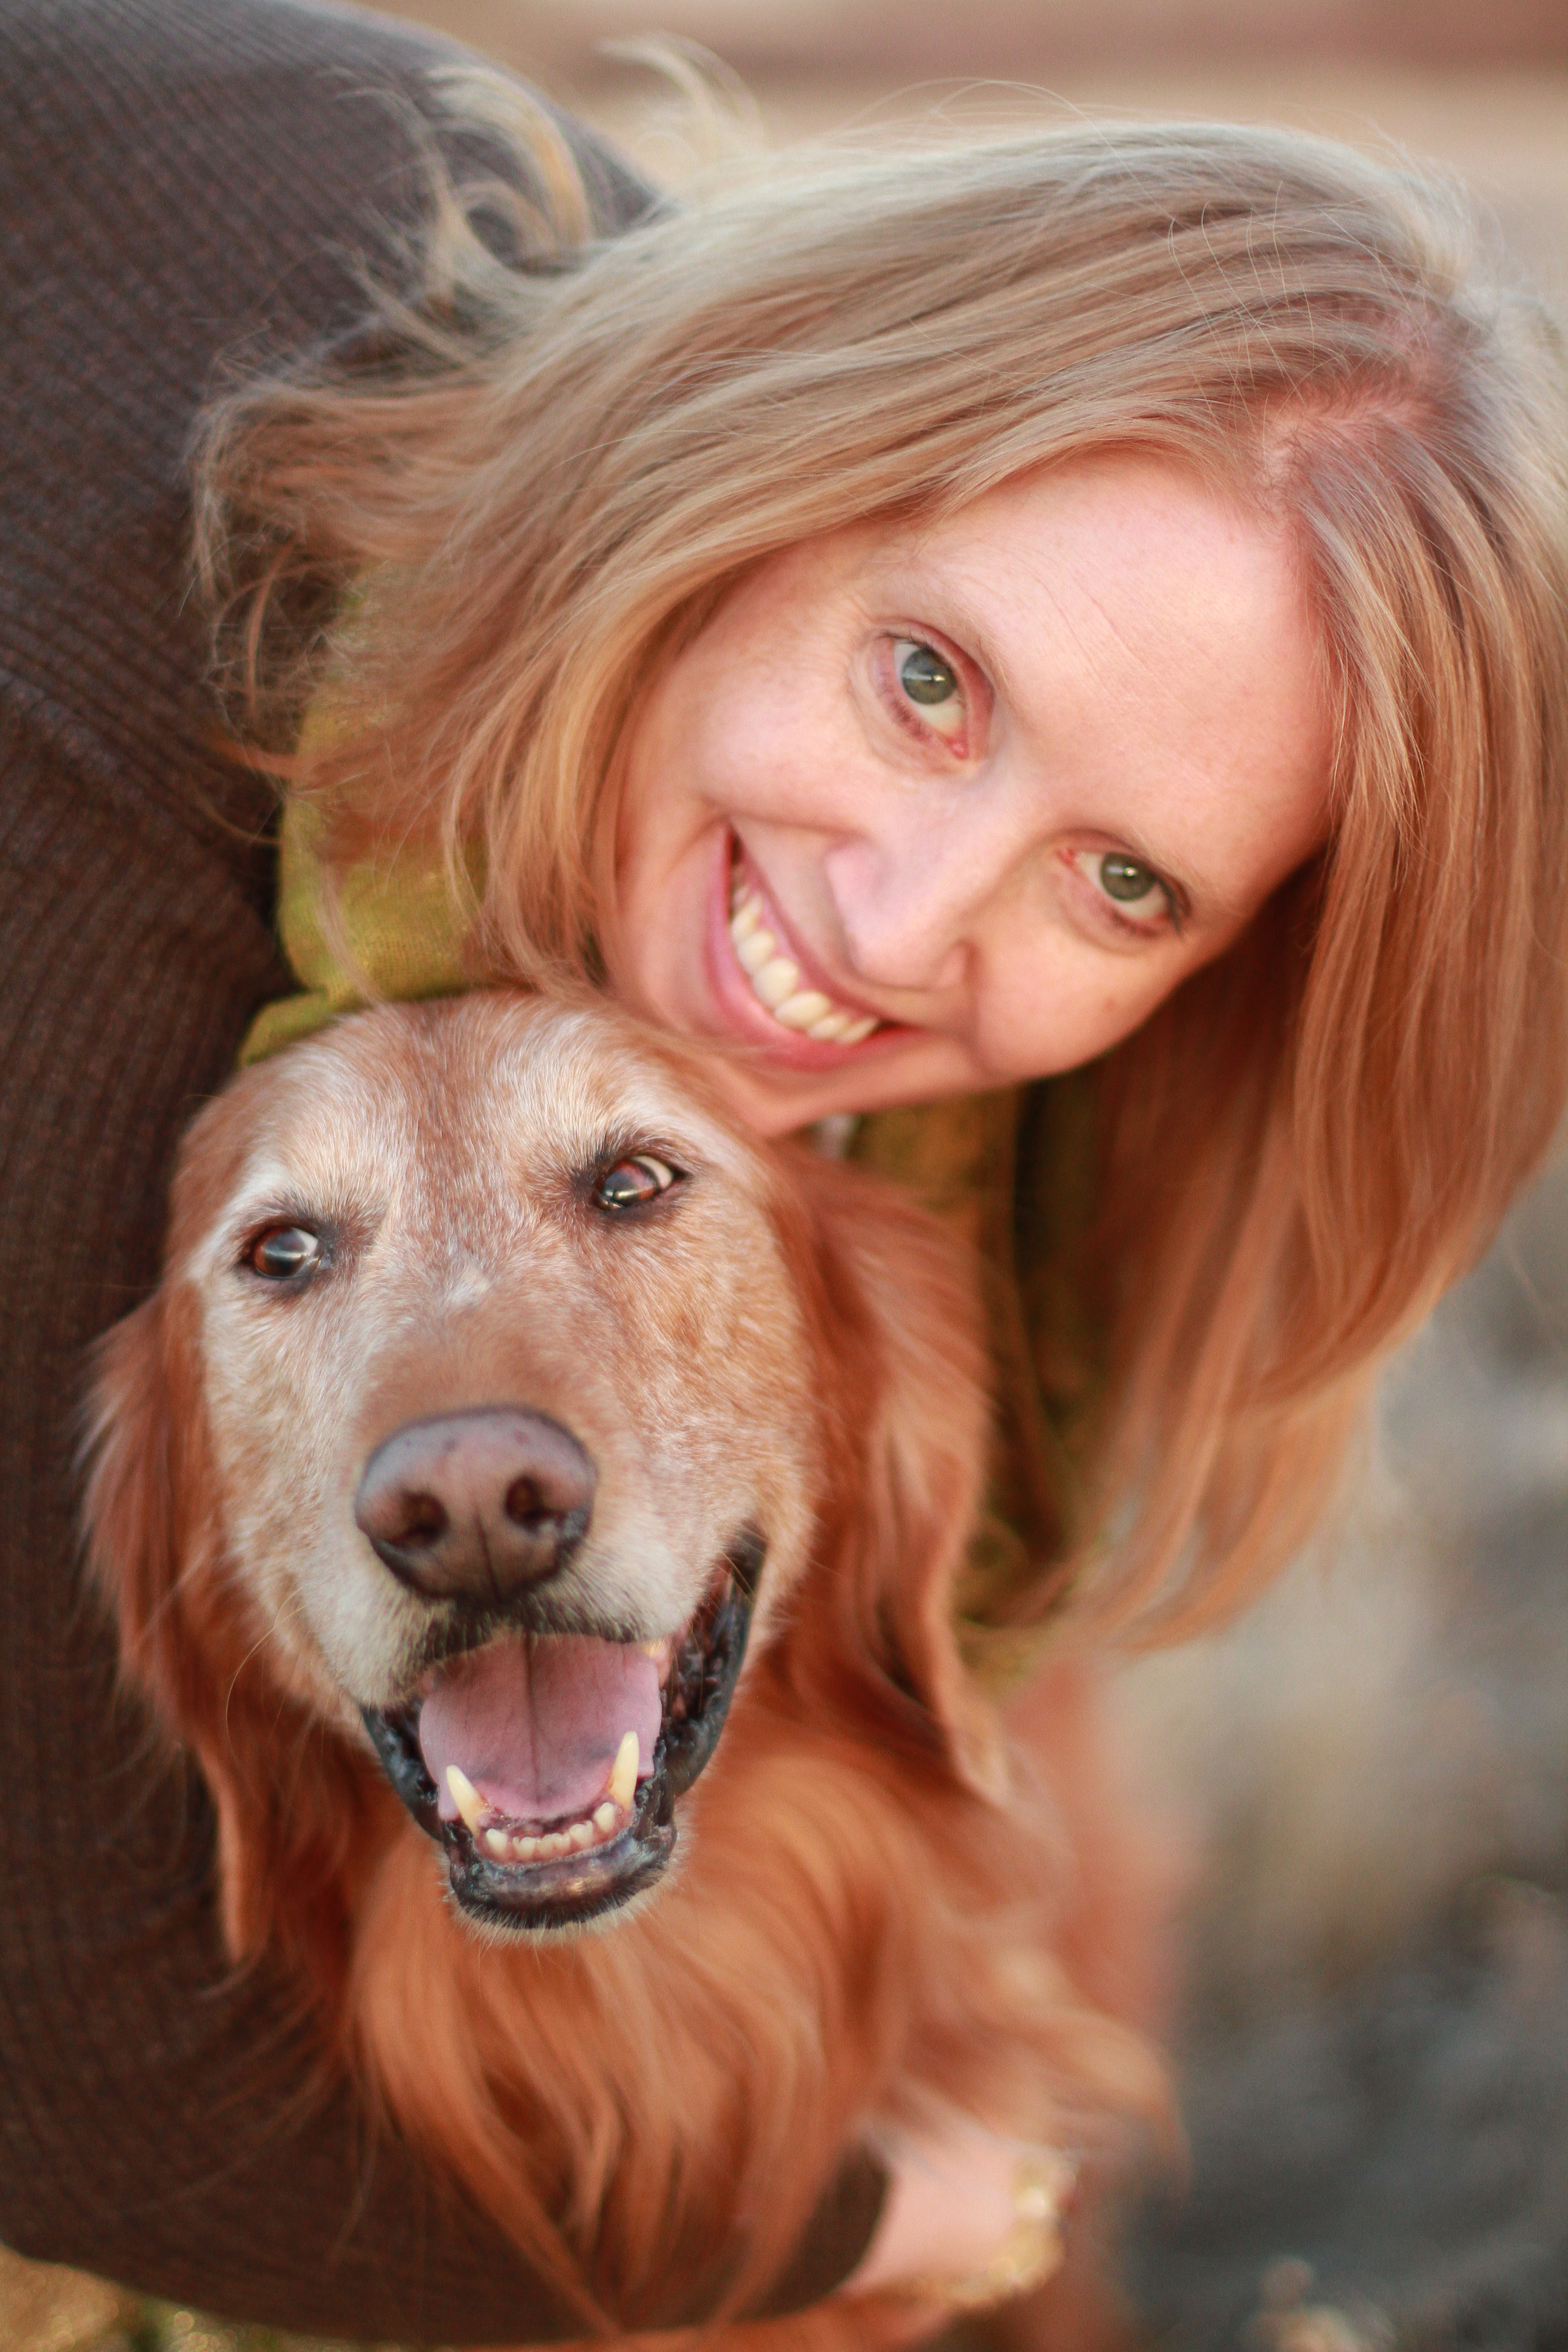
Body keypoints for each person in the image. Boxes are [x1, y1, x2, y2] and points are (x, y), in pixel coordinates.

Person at [2, 0, 1565, 2337]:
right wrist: (893, 2225)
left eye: (1126, 884)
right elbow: (77, 2068)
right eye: (929, 679)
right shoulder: (104, 757)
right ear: (776, 474)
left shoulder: (930, 1188)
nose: (893, 928)